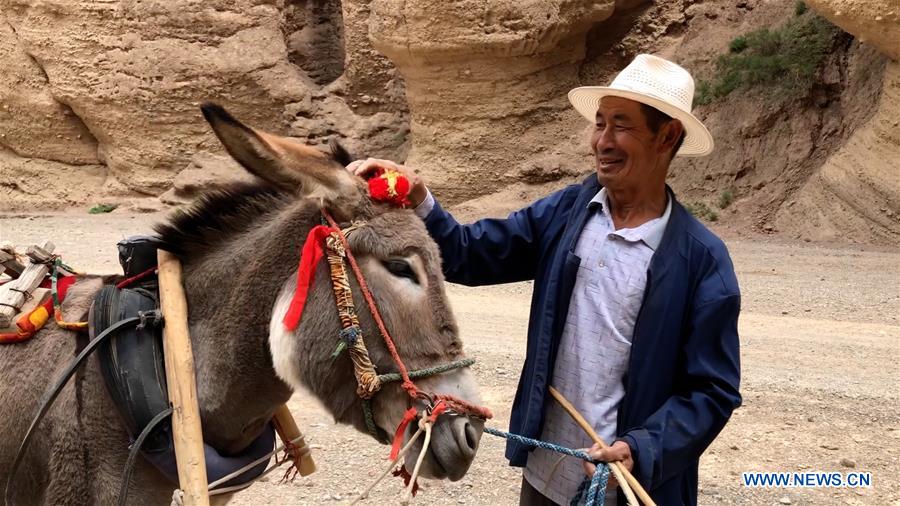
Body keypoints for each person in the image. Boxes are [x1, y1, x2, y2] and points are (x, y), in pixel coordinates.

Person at [348, 54, 741, 506]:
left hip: (629, 489)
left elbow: (712, 390)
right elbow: (470, 254)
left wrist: (642, 449)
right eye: (600, 123)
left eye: (621, 125)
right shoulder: (569, 213)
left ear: (667, 135)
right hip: (545, 475)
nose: (602, 141)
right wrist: (419, 198)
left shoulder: (702, 260)